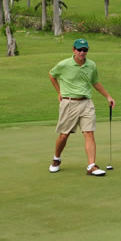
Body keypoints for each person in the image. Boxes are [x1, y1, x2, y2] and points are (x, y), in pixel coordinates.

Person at [48, 38, 115, 176]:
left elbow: (95, 82)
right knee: (64, 135)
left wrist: (108, 96)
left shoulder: (91, 65)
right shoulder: (64, 64)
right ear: (74, 50)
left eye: (85, 50)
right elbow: (52, 75)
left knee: (89, 133)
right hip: (69, 102)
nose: (82, 52)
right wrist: (59, 92)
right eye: (79, 49)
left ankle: (91, 166)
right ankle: (56, 159)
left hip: (86, 103)